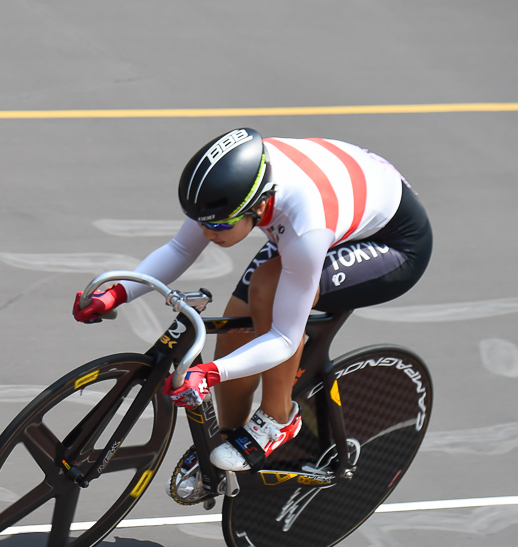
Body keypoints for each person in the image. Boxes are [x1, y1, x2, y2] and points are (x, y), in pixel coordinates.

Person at [74, 128, 432, 476]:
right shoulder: (231, 186)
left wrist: (208, 375)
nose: (207, 234)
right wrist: (117, 292)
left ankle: (278, 418)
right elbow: (181, 249)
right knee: (235, 331)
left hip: (395, 243)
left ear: (259, 205)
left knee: (268, 288)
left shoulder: (304, 227)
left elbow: (285, 338)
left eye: (219, 226)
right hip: (343, 203)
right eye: (201, 223)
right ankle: (229, 440)